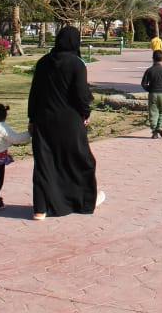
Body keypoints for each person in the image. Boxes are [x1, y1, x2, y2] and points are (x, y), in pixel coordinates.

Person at [28, 26, 104, 220]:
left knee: (45, 163)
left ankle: (40, 208)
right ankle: (84, 201)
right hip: (69, 121)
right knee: (81, 160)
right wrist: (85, 113)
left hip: (43, 119)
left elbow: (34, 93)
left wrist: (32, 119)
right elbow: (81, 94)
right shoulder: (76, 64)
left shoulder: (43, 62)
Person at [141, 49, 162, 139]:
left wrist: (149, 89)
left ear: (153, 58)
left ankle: (154, 132)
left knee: (153, 112)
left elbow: (143, 83)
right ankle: (160, 127)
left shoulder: (149, 70)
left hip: (152, 94)